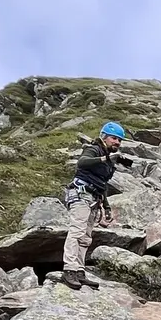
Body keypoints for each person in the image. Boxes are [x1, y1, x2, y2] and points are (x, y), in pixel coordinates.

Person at [61, 122, 127, 288]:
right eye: (114, 138)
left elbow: (102, 183)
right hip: (80, 193)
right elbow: (82, 163)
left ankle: (79, 270)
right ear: (104, 136)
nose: (117, 142)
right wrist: (105, 158)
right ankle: (69, 269)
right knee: (77, 231)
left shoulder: (109, 159)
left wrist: (107, 206)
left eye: (119, 140)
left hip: (94, 197)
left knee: (85, 237)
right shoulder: (94, 149)